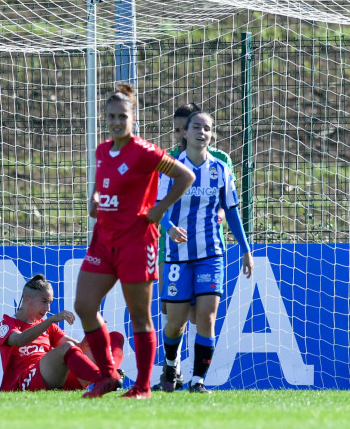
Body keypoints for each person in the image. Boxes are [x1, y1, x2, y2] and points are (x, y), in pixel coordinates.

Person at [74, 83, 195, 399]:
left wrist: (159, 209)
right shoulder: (103, 150)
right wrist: (95, 199)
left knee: (139, 316)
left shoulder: (145, 151)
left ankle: (142, 387)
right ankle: (108, 375)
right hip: (104, 239)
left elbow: (186, 176)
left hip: (137, 242)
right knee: (84, 305)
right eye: (111, 116)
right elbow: (103, 186)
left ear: (133, 118)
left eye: (122, 116)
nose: (116, 122)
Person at [156, 110, 254, 393]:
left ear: (212, 134)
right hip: (177, 255)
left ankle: (198, 380)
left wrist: (246, 250)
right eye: (196, 127)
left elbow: (232, 212)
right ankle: (171, 363)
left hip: (211, 253)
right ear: (184, 133)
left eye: (207, 128)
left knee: (207, 317)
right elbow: (158, 206)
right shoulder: (171, 167)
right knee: (174, 324)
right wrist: (170, 228)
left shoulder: (220, 169)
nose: (202, 132)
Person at [0, 274, 125, 392]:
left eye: (50, 303)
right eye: (44, 302)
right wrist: (51, 320)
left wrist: (93, 331)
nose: (48, 309)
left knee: (113, 337)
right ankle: (103, 379)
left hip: (55, 379)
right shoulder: (6, 324)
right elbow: (19, 340)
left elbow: (79, 348)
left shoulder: (48, 327)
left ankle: (110, 376)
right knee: (67, 347)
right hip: (23, 382)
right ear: (28, 299)